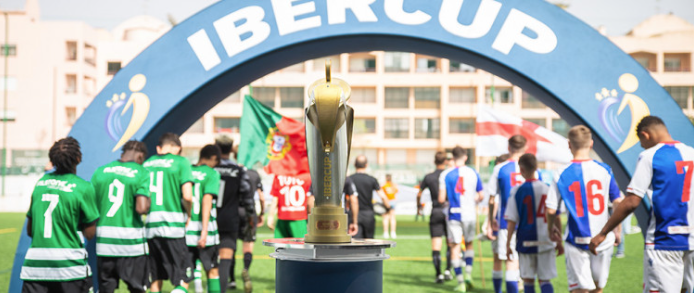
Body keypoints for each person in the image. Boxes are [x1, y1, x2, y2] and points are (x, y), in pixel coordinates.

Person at [590, 116, 694, 293]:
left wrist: (603, 233)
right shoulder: (692, 152)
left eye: (641, 142)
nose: (641, 146)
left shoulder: (649, 156)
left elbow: (632, 201)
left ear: (645, 135)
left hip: (663, 241)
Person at [546, 125, 622, 293]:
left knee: (579, 289)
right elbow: (617, 202)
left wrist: (551, 228)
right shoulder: (605, 169)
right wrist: (617, 230)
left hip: (576, 240)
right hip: (604, 239)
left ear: (569, 145)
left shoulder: (561, 173)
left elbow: (551, 210)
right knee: (597, 288)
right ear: (591, 144)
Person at [20, 137, 99, 293]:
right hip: (70, 268)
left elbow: (30, 230)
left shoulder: (40, 184)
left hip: (35, 268)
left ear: (52, 159)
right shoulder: (83, 187)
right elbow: (90, 234)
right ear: (78, 158)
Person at [91, 140, 151, 293]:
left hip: (105, 244)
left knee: (106, 289)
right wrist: (149, 202)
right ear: (140, 156)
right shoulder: (141, 171)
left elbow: (90, 207)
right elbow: (141, 208)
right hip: (131, 245)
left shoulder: (101, 171)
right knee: (137, 289)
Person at [143, 133, 195, 293]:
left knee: (155, 275)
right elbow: (187, 195)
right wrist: (189, 214)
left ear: (159, 148)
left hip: (151, 226)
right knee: (183, 277)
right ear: (178, 148)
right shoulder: (181, 162)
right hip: (173, 226)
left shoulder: (147, 164)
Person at [505, 154, 563, 293]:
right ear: (536, 167)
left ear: (521, 169)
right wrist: (559, 240)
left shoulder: (516, 191)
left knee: (528, 280)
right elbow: (556, 216)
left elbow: (512, 220)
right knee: (545, 280)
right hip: (546, 239)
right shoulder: (547, 188)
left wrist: (508, 243)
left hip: (525, 241)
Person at [487, 135, 533, 293]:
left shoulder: (500, 169)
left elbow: (492, 199)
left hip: (506, 222)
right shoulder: (533, 169)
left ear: (509, 148)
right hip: (529, 224)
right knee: (526, 264)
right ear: (525, 148)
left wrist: (490, 221)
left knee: (510, 261)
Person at [440, 147, 484, 292]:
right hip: (469, 214)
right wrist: (475, 198)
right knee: (469, 244)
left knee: (455, 246)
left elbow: (441, 198)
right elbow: (481, 195)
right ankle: (469, 276)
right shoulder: (473, 172)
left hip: (453, 214)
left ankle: (460, 282)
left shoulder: (446, 174)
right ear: (465, 157)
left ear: (452, 157)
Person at [214, 136, 253, 291]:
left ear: (215, 146)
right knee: (225, 259)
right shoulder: (238, 170)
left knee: (207, 260)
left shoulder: (210, 168)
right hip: (229, 219)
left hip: (208, 219)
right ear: (231, 150)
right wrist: (251, 217)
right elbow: (247, 195)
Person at [186, 145, 222, 293]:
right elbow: (207, 200)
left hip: (186, 230)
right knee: (213, 271)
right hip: (206, 231)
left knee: (185, 276)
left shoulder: (186, 170)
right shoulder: (211, 173)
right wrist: (204, 231)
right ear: (213, 158)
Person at [417, 151, 453, 283]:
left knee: (436, 245)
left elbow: (419, 193)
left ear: (434, 161)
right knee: (450, 243)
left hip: (436, 211)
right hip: (449, 212)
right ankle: (448, 270)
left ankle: (439, 275)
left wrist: (418, 207)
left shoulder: (429, 177)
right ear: (446, 161)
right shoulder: (449, 175)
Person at [229, 166, 265, 292]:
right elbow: (261, 196)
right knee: (248, 244)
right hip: (249, 212)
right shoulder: (254, 173)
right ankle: (245, 269)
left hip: (233, 211)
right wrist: (262, 213)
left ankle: (232, 280)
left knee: (230, 246)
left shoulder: (232, 171)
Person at [349, 155, 391, 239]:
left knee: (354, 242)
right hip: (368, 214)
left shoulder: (349, 179)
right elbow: (383, 196)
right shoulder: (372, 179)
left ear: (354, 164)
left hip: (353, 214)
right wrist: (388, 208)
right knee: (369, 242)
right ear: (366, 165)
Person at [268, 173, 314, 238]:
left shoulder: (279, 175)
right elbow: (310, 201)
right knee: (301, 246)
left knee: (280, 246)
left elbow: (275, 199)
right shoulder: (307, 176)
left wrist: (271, 216)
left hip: (282, 218)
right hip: (300, 218)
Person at [382, 174, 399, 239]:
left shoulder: (384, 185)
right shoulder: (394, 185)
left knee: (386, 217)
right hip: (393, 201)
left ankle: (386, 233)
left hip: (386, 201)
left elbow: (382, 194)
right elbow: (396, 192)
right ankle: (393, 232)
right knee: (392, 218)